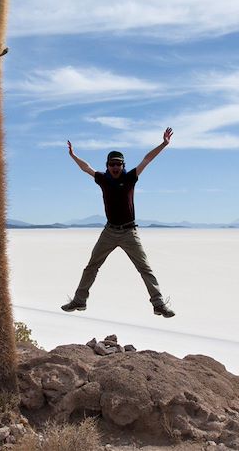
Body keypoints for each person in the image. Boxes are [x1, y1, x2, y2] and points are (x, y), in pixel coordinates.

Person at [62, 127, 175, 318]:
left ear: (123, 166)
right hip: (109, 232)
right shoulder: (103, 179)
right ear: (107, 166)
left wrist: (164, 144)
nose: (115, 167)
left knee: (144, 268)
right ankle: (79, 301)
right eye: (112, 164)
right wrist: (73, 155)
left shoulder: (130, 178)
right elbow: (86, 168)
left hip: (129, 232)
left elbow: (147, 159)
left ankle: (159, 304)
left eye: (118, 164)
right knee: (92, 266)